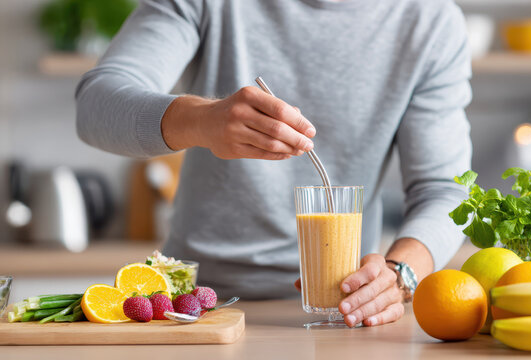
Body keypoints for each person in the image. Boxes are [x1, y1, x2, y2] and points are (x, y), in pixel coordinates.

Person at [76, 0, 472, 328]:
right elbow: (95, 106)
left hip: (343, 312)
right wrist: (202, 121)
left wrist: (399, 274)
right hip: (198, 310)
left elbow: (444, 190)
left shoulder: (430, 22)